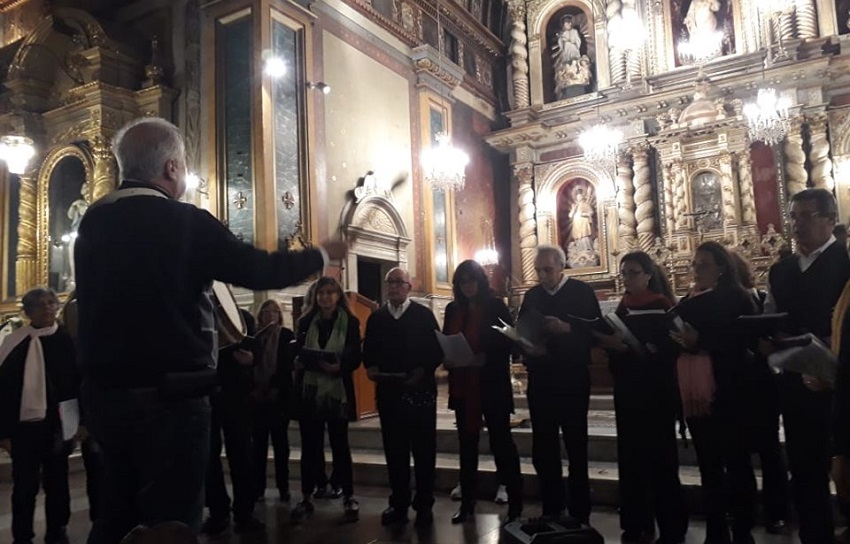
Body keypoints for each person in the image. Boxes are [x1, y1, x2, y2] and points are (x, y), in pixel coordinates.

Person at [74, 117, 347, 544]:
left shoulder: (92, 222)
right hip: (171, 401)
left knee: (113, 518)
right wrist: (319, 255)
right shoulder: (184, 222)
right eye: (181, 165)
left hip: (105, 400)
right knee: (171, 522)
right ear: (171, 169)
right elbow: (257, 269)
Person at [765, 188, 850, 544]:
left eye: (806, 216)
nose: (797, 225)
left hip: (839, 388)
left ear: (830, 220)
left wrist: (834, 375)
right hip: (795, 380)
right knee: (803, 467)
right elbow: (773, 317)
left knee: (844, 467)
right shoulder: (781, 270)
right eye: (794, 217)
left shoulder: (845, 264)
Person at [594, 252, 687, 544]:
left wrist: (641, 349)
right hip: (628, 391)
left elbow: (671, 350)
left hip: (656, 393)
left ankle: (671, 526)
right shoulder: (621, 309)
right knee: (631, 459)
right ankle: (636, 521)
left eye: (633, 273)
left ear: (648, 274)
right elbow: (614, 352)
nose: (627, 279)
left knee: (661, 461)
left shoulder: (661, 306)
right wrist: (614, 348)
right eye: (624, 273)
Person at [672, 242, 758, 544]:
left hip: (729, 391)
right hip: (697, 394)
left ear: (721, 267)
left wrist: (700, 340)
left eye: (703, 264)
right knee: (708, 464)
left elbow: (742, 341)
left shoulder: (737, 298)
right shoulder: (689, 300)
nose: (696, 269)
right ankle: (716, 528)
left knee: (736, 462)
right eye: (694, 264)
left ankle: (743, 527)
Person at [519, 244, 601, 523]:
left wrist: (568, 329)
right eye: (538, 270)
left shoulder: (582, 292)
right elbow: (523, 331)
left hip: (572, 379)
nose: (542, 276)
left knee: (576, 445)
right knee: (544, 447)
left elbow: (597, 332)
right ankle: (551, 507)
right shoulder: (531, 296)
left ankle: (580, 510)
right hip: (541, 379)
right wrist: (527, 347)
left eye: (547, 270)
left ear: (561, 266)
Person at [442, 260, 523, 524]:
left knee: (502, 444)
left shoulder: (495, 306)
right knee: (467, 446)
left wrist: (484, 357)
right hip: (463, 385)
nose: (467, 285)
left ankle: (515, 504)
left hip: (491, 385)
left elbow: (511, 343)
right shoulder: (453, 309)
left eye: (471, 280)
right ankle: (467, 504)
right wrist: (448, 357)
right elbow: (446, 339)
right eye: (462, 281)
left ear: (480, 281)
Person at [363, 267, 442, 528]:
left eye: (399, 282)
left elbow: (436, 351)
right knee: (394, 451)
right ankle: (398, 502)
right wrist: (371, 369)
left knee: (423, 450)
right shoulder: (377, 318)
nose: (394, 286)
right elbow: (369, 352)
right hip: (389, 395)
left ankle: (424, 503)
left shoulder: (424, 316)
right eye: (390, 282)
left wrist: (421, 371)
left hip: (420, 394)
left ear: (409, 286)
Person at [0, 288, 79, 544]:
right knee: (24, 487)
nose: (47, 309)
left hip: (58, 425)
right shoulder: (16, 344)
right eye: (40, 305)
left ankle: (58, 530)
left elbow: (78, 385)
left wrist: (81, 423)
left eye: (50, 303)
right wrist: (3, 433)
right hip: (25, 429)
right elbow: (5, 391)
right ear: (28, 312)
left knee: (57, 484)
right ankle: (22, 535)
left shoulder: (67, 342)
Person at [290, 277, 361, 522]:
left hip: (337, 391)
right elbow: (298, 348)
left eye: (330, 293)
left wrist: (340, 367)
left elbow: (355, 355)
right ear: (315, 296)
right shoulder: (306, 321)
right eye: (321, 293)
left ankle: (348, 494)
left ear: (338, 295)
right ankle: (307, 495)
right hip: (310, 392)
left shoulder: (350, 321)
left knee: (340, 445)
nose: (326, 297)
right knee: (310, 446)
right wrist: (299, 360)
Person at [730, 252, 789, 534]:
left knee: (768, 450)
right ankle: (747, 510)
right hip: (738, 383)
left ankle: (776, 510)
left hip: (760, 382)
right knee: (741, 453)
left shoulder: (757, 297)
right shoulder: (721, 301)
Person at [202, 307, 263, 535]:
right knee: (209, 455)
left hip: (236, 396)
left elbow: (255, 348)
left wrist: (251, 359)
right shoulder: (198, 313)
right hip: (206, 393)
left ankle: (245, 512)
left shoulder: (242, 317)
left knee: (242, 453)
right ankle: (218, 512)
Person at [58, 292, 107, 534]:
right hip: (94, 417)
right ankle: (102, 521)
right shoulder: (72, 343)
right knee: (98, 473)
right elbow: (75, 386)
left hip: (110, 414)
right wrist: (82, 422)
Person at [250, 299, 295, 505]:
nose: (270, 315)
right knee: (258, 445)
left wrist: (276, 386)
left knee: (280, 445)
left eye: (275, 312)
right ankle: (257, 488)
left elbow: (289, 368)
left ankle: (283, 487)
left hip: (279, 398)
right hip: (257, 398)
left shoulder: (286, 336)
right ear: (260, 316)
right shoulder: (253, 337)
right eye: (266, 312)